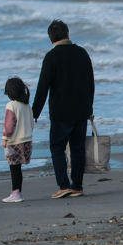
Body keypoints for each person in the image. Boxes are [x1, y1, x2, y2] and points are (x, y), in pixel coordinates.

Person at [32, 19, 94, 199]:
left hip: (61, 112)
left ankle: (63, 185)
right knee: (77, 148)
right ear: (68, 34)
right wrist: (89, 107)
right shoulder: (82, 53)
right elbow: (90, 83)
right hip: (81, 110)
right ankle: (77, 186)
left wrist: (35, 112)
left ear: (51, 39)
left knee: (57, 147)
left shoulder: (51, 57)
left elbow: (43, 86)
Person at [1, 77, 34, 203]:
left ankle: (16, 192)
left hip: (15, 141)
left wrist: (5, 138)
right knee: (18, 168)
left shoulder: (11, 105)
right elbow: (31, 123)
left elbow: (9, 126)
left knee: (14, 167)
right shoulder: (26, 105)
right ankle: (17, 192)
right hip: (27, 140)